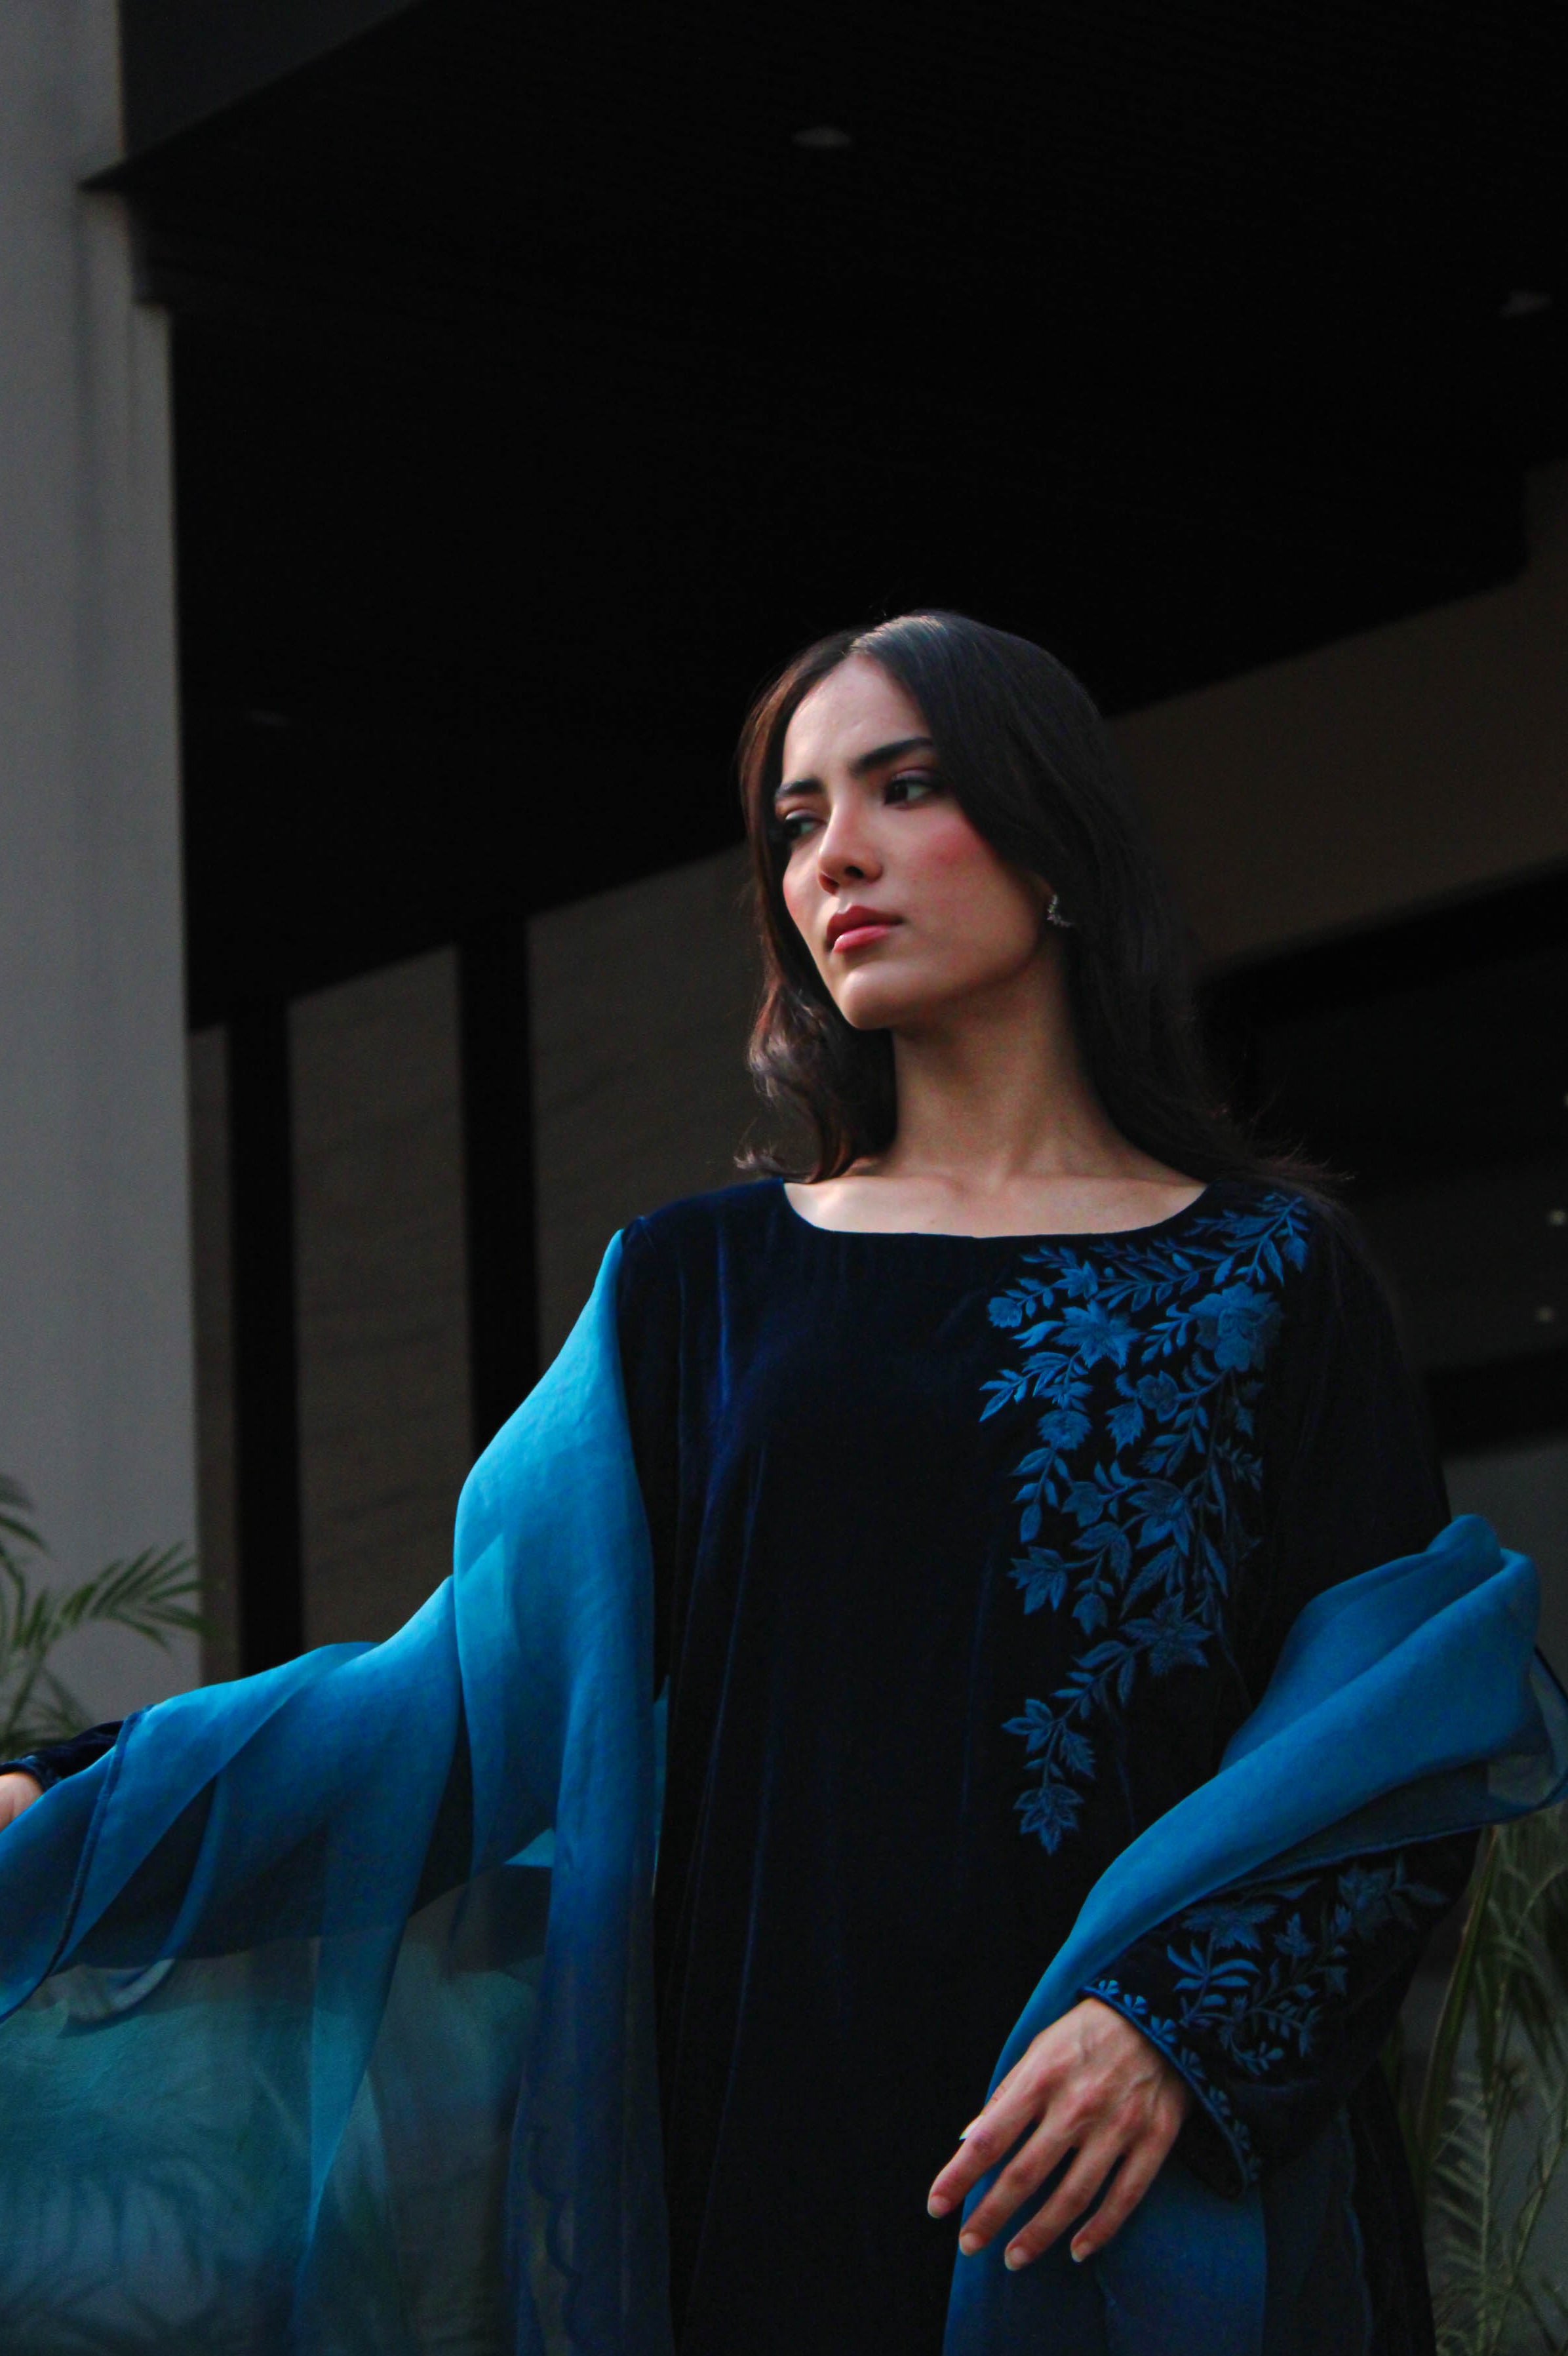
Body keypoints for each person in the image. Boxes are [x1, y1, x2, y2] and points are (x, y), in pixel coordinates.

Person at [0, 612, 1558, 2356]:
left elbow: (1393, 1738)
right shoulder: (698, 1287)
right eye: (799, 820)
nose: (838, 857)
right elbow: (457, 1702)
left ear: (1056, 842)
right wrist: (65, 1803)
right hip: (778, 2135)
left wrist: (1177, 2026)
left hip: (1138, 2159)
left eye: (906, 788)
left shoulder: (1271, 1277)